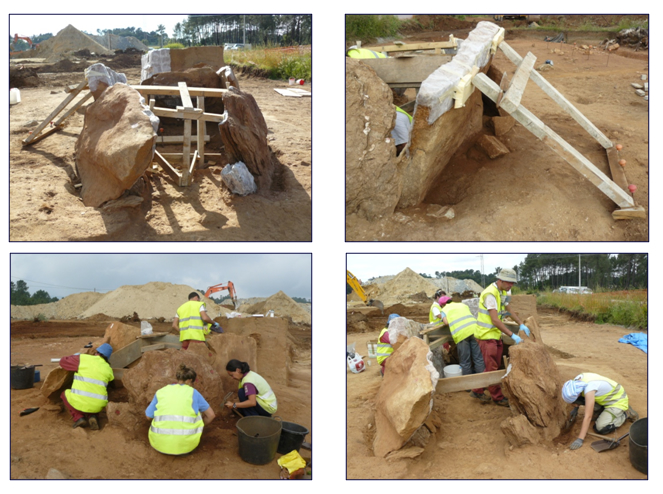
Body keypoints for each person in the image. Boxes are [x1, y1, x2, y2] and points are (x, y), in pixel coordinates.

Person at [474, 268, 530, 406]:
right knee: (492, 368)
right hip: (486, 337)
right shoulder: (490, 295)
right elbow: (495, 320)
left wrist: (521, 324)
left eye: (513, 283)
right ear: (500, 280)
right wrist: (512, 336)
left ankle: (477, 389)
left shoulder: (500, 292)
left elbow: (508, 309)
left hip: (494, 335)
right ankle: (497, 397)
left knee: (492, 365)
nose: (511, 285)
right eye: (509, 282)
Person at [146, 364, 216, 455]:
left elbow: (148, 417)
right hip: (186, 446)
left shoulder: (161, 391)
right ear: (189, 381)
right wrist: (200, 426)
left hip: (158, 444)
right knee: (196, 412)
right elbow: (211, 415)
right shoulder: (193, 392)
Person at [562, 372, 639, 450]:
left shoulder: (589, 389)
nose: (573, 404)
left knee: (600, 428)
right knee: (579, 400)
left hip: (616, 400)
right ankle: (601, 410)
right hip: (604, 396)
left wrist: (580, 439)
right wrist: (575, 408)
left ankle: (626, 414)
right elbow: (576, 398)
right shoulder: (574, 382)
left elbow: (588, 417)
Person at [436, 296, 490, 403]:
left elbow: (446, 322)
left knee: (465, 360)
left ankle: (468, 386)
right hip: (475, 330)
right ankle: (484, 383)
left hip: (461, 334)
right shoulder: (462, 304)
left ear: (442, 305)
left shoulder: (444, 309)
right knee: (478, 358)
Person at [59, 343, 114, 430]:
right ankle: (93, 416)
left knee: (64, 394)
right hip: (98, 405)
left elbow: (63, 361)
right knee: (94, 396)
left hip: (79, 402)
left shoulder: (84, 359)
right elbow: (109, 381)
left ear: (97, 352)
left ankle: (79, 417)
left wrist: (75, 356)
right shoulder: (108, 369)